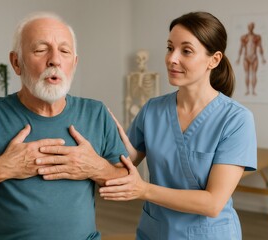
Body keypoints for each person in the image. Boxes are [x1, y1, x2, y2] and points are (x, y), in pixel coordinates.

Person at [0, 12, 128, 240]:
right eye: (41, 50)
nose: (54, 60)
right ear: (16, 62)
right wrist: (4, 167)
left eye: (64, 51)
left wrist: (96, 168)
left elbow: (128, 184)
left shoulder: (96, 113)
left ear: (74, 63)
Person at [100, 11, 257, 240]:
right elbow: (122, 167)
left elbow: (213, 203)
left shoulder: (236, 120)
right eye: (169, 48)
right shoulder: (152, 110)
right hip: (155, 232)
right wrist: (105, 145)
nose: (172, 58)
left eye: (186, 51)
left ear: (214, 60)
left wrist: (143, 189)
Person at [236, 22, 266, 96]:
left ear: (253, 27)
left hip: (254, 57)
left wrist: (263, 58)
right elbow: (241, 48)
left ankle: (253, 90)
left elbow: (260, 47)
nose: (250, 27)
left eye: (252, 26)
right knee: (247, 74)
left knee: (254, 74)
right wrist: (238, 58)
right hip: (246, 57)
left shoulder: (257, 37)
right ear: (248, 27)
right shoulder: (244, 37)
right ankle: (247, 90)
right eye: (249, 26)